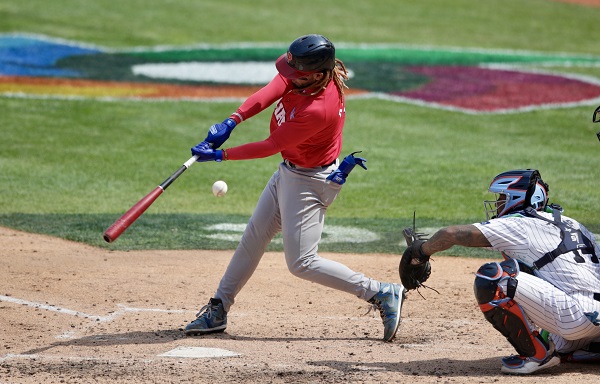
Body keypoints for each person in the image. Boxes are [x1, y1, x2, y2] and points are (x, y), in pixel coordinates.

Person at [184, 34, 405, 342]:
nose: (288, 77)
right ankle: (219, 308)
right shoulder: (306, 78)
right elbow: (271, 90)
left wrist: (220, 155)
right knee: (254, 237)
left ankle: (381, 293)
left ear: (316, 74)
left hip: (310, 183)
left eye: (295, 73)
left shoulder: (319, 108)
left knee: (302, 262)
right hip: (291, 173)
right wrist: (232, 121)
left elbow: (271, 145)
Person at [402, 169, 600, 374]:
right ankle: (587, 347)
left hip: (573, 320)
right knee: (530, 271)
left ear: (516, 198)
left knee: (493, 276)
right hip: (594, 322)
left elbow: (451, 234)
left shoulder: (519, 223)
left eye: (502, 197)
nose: (497, 203)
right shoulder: (574, 224)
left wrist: (420, 252)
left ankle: (535, 355)